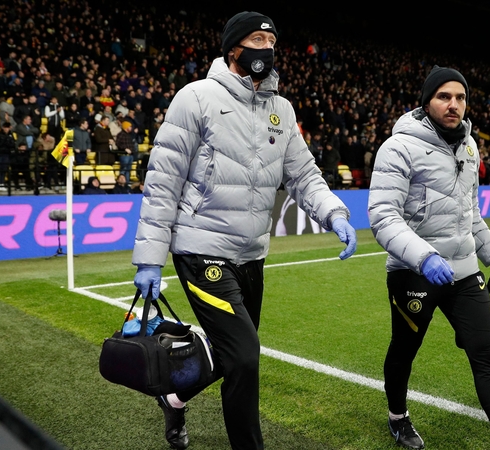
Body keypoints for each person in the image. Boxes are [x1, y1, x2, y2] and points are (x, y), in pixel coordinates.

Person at [131, 11, 358, 450]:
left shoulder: (281, 109)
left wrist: (335, 214)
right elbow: (163, 181)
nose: (267, 48)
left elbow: (304, 174)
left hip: (252, 254)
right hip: (201, 248)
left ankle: (174, 399)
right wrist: (149, 258)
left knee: (230, 355)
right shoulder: (195, 98)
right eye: (257, 38)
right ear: (234, 48)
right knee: (246, 356)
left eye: (272, 41)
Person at [367, 66, 490, 450]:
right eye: (444, 96)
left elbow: (470, 211)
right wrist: (424, 258)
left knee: (486, 351)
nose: (453, 104)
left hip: (464, 271)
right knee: (405, 349)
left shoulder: (469, 146)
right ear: (427, 101)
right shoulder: (399, 147)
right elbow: (382, 216)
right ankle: (397, 418)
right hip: (414, 273)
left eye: (460, 97)